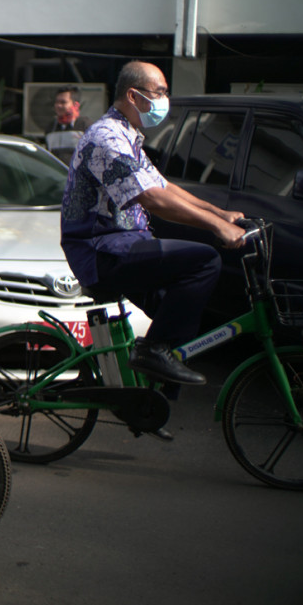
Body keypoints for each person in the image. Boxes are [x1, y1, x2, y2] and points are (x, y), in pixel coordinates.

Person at [60, 61, 246, 390]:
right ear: (133, 95)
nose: (164, 100)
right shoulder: (106, 138)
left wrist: (220, 213)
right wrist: (216, 229)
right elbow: (153, 200)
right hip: (101, 251)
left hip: (124, 245)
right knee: (205, 261)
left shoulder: (128, 137)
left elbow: (162, 186)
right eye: (159, 92)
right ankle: (151, 351)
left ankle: (147, 403)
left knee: (177, 320)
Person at [45, 85, 91, 165]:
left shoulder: (85, 125)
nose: (58, 106)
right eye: (56, 102)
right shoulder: (51, 128)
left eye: (63, 102)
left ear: (75, 105)